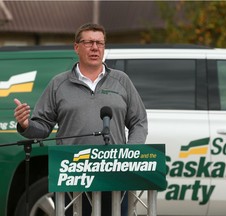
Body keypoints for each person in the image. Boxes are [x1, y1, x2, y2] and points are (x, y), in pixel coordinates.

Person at [14, 23, 148, 216]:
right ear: (76, 47)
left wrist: (129, 152)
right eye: (89, 42)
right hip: (74, 174)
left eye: (100, 43)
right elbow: (42, 127)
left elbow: (139, 122)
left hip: (116, 172)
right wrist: (25, 125)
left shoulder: (121, 81)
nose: (95, 48)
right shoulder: (58, 84)